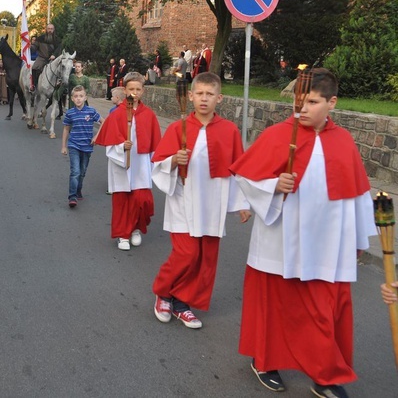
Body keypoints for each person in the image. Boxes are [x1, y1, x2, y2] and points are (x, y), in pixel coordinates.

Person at [229, 68, 374, 398]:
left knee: (325, 310)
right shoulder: (279, 135)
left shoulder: (344, 141)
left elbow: (357, 194)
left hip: (327, 245)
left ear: (331, 102)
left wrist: (359, 239)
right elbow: (246, 178)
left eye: (311, 102)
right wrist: (272, 185)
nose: (302, 108)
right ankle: (264, 361)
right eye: (298, 101)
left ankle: (325, 374)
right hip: (281, 239)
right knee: (275, 305)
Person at [150, 72, 250, 329]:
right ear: (191, 96)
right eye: (200, 94)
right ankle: (163, 292)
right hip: (184, 199)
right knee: (187, 253)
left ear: (220, 98)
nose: (204, 99)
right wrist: (174, 160)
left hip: (212, 202)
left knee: (205, 257)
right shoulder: (177, 128)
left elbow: (238, 168)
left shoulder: (229, 131)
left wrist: (242, 203)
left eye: (210, 94)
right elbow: (159, 164)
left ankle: (182, 303)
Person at [94, 72, 161, 251]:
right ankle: (123, 234)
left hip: (141, 163)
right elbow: (110, 145)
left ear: (143, 91)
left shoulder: (149, 115)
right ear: (125, 90)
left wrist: (157, 164)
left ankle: (136, 228)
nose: (134, 92)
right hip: (121, 164)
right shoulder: (116, 115)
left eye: (138, 89)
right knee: (122, 200)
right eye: (131, 89)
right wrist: (121, 146)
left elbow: (156, 144)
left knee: (142, 199)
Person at [61, 85, 102, 208]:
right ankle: (72, 196)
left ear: (85, 98)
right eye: (76, 96)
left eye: (81, 96)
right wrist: (64, 146)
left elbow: (104, 122)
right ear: (72, 99)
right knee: (75, 172)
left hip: (87, 146)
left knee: (82, 172)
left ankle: (78, 190)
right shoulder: (70, 113)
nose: (78, 99)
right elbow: (66, 129)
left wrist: (96, 137)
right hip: (74, 145)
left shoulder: (91, 111)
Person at [30, 23, 62, 91]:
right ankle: (34, 86)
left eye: (51, 29)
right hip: (42, 58)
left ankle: (60, 89)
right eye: (49, 29)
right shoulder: (40, 38)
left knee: (61, 70)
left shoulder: (57, 40)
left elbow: (59, 49)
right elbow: (35, 47)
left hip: (53, 60)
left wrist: (54, 55)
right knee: (34, 68)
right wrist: (30, 47)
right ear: (46, 29)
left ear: (54, 30)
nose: (50, 30)